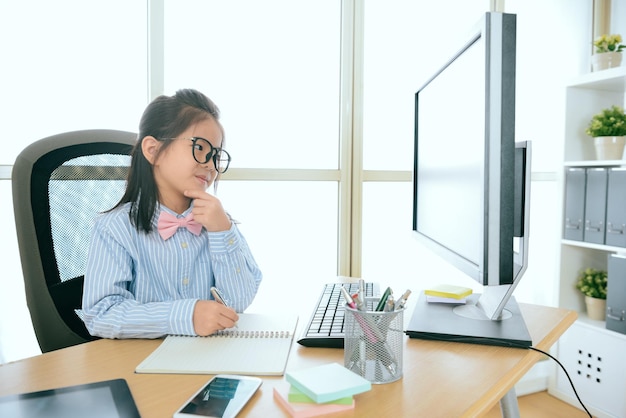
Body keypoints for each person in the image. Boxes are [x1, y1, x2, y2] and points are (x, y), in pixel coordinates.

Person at [81, 89, 262, 339]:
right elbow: (101, 315)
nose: (210, 165)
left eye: (216, 155)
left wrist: (223, 232)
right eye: (200, 148)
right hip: (140, 362)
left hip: (209, 357)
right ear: (153, 150)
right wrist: (185, 315)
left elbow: (239, 301)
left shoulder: (219, 223)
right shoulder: (115, 228)